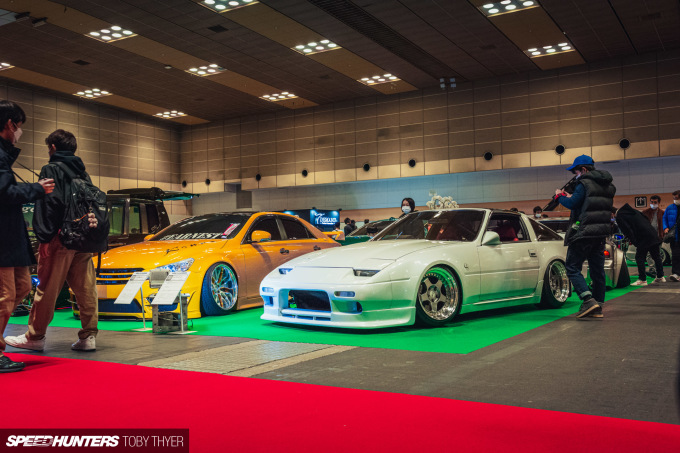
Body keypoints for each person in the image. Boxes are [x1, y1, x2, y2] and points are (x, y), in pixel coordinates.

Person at [5, 130, 99, 352]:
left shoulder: (51, 169)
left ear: (53, 148)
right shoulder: (83, 172)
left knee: (47, 288)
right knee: (86, 288)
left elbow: (49, 203)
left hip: (60, 238)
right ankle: (88, 336)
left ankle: (35, 336)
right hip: (83, 239)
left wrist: (45, 237)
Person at [0, 101, 54, 372]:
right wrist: (36, 189)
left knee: (21, 287)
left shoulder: (4, 155)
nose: (19, 132)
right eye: (19, 126)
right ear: (10, 124)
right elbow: (4, 193)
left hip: (10, 239)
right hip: (3, 239)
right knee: (5, 294)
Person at [554, 154, 616, 319]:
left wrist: (560, 196)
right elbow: (590, 203)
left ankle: (587, 300)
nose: (575, 175)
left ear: (583, 169)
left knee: (572, 267)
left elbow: (573, 203)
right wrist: (572, 196)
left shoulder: (584, 183)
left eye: (575, 172)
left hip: (584, 232)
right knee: (597, 271)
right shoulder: (608, 186)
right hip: (600, 233)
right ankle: (598, 306)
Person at [615, 203, 665, 286]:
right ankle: (660, 276)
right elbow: (646, 219)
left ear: (612, 213)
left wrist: (635, 242)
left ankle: (642, 279)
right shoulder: (634, 211)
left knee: (639, 257)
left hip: (643, 237)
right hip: (652, 234)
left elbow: (627, 230)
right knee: (656, 256)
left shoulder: (620, 216)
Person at [662, 190, 680, 282]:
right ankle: (676, 273)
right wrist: (665, 227)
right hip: (674, 237)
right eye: (673, 198)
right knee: (675, 255)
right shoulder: (670, 208)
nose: (674, 199)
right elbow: (664, 218)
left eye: (676, 198)